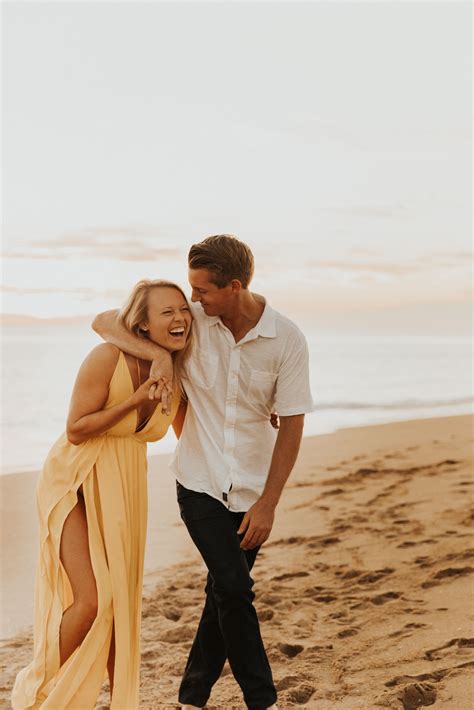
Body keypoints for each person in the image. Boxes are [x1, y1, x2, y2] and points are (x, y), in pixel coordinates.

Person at [92, 235, 314, 710]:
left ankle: (191, 697)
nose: (193, 301)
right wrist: (156, 356)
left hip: (253, 491)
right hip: (198, 482)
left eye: (203, 291)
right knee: (234, 588)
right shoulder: (193, 326)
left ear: (233, 287)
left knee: (223, 592)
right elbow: (105, 320)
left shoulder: (287, 340)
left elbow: (292, 424)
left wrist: (268, 504)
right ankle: (264, 701)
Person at [12, 279, 193, 710]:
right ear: (142, 324)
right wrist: (134, 401)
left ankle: (119, 702)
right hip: (73, 478)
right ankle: (35, 692)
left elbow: (191, 436)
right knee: (93, 600)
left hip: (125, 485)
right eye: (166, 312)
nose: (180, 318)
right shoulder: (107, 357)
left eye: (183, 309)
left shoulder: (180, 376)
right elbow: (76, 430)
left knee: (122, 603)